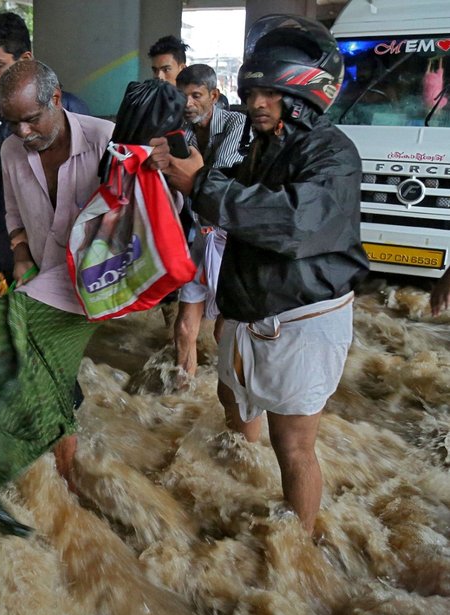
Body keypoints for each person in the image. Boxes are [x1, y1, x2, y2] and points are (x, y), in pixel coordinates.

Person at [149, 15, 369, 535]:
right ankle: (243, 488)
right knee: (233, 402)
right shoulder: (263, 143)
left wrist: (202, 183)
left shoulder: (333, 155)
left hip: (302, 318)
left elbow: (292, 222)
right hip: (250, 313)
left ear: (304, 95)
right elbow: (232, 197)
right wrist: (187, 168)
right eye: (252, 92)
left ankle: (299, 547)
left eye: (269, 93)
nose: (256, 103)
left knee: (292, 445)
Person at [0, 59, 114, 536]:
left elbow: (152, 210)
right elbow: (11, 207)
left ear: (56, 99)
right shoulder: (12, 149)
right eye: (13, 121)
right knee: (50, 376)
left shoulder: (105, 141)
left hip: (98, 279)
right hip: (46, 274)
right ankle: (67, 489)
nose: (24, 130)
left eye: (32, 118)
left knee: (1, 336)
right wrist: (17, 250)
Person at [0, 12, 89, 404]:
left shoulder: (68, 114)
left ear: (25, 60)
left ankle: (59, 449)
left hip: (39, 267)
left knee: (46, 363)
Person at [172, 64, 249, 380]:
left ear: (214, 95)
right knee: (184, 325)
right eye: (182, 96)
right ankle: (182, 390)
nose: (188, 103)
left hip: (234, 241)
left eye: (196, 95)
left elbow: (217, 175)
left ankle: (235, 393)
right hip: (201, 235)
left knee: (226, 331)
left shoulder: (237, 122)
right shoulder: (182, 130)